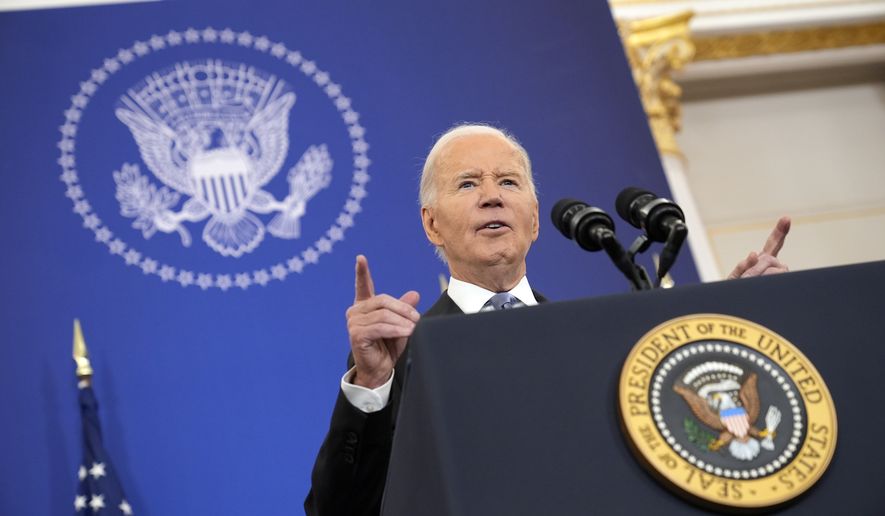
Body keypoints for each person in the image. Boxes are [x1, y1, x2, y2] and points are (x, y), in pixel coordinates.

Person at [303, 124, 790, 516]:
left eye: (508, 182)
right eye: (468, 184)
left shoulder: (597, 342)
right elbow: (338, 511)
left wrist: (728, 326)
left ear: (534, 220)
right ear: (432, 223)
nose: (492, 197)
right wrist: (370, 385)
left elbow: (675, 455)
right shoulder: (401, 357)